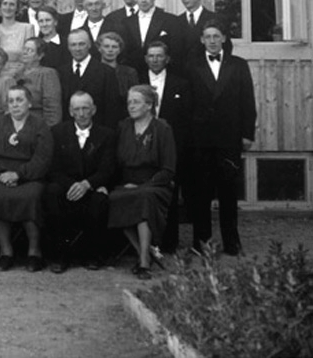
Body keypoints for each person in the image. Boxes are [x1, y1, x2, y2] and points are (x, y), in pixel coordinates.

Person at [186, 20, 256, 256]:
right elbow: (188, 105)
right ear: (201, 40)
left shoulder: (238, 65)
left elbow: (248, 101)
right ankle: (201, 242)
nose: (212, 41)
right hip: (201, 139)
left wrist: (247, 134)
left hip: (229, 137)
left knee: (228, 191)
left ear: (224, 38)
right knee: (201, 192)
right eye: (208, 37)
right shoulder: (192, 66)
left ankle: (232, 242)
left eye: (216, 36)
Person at [0, 84, 53, 272]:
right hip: (0, 177)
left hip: (30, 177)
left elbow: (43, 159)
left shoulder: (40, 125)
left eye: (19, 100)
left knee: (31, 197)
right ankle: (6, 252)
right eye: (11, 101)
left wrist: (19, 174)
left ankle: (34, 252)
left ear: (29, 103)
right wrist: (0, 175)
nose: (15, 105)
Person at [108, 85, 176, 280]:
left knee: (143, 198)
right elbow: (115, 162)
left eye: (136, 102)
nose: (131, 106)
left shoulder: (162, 128)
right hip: (126, 183)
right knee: (113, 199)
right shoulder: (123, 127)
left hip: (155, 184)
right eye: (129, 102)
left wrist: (143, 186)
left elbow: (168, 169)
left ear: (149, 105)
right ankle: (144, 253)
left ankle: (144, 262)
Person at [45, 91, 115, 272]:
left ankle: (91, 255)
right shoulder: (57, 132)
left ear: (94, 110)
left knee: (100, 200)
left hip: (91, 186)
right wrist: (72, 185)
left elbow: (107, 169)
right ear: (70, 111)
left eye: (85, 108)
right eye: (77, 109)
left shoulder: (107, 134)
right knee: (52, 193)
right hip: (66, 186)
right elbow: (53, 169)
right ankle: (60, 255)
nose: (81, 114)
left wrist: (87, 184)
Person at [142, 40, 193, 253]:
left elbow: (186, 118)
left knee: (169, 191)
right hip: (143, 145)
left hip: (171, 145)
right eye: (151, 56)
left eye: (159, 55)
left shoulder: (181, 84)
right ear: (146, 59)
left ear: (167, 59)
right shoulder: (137, 80)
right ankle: (145, 243)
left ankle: (169, 242)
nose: (155, 60)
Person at [59, 29, 121, 130]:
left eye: (81, 44)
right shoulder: (61, 72)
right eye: (73, 45)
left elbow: (112, 108)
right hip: (69, 132)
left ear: (89, 45)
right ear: (68, 47)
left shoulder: (106, 72)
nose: (77, 48)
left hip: (99, 131)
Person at [121, 0, 183, 79]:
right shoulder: (126, 23)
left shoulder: (170, 20)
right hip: (134, 76)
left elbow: (176, 52)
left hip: (163, 75)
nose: (143, 0)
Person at [176, 0, 232, 70]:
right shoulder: (176, 22)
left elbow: (226, 48)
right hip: (182, 74)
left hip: (208, 73)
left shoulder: (216, 19)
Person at [17, 37, 63, 126]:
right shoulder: (17, 74)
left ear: (40, 56)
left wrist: (50, 129)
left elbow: (52, 107)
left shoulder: (47, 74)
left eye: (30, 50)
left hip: (37, 125)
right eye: (24, 49)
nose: (25, 52)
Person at [0, 0, 34, 78]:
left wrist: (15, 73)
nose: (8, 8)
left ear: (17, 8)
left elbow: (30, 57)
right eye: (5, 4)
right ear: (0, 6)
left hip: (20, 75)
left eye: (12, 4)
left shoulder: (27, 28)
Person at [98, 31, 139, 108]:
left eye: (114, 47)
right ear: (99, 48)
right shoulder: (92, 71)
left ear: (119, 50)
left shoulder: (129, 73)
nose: (110, 50)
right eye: (106, 46)